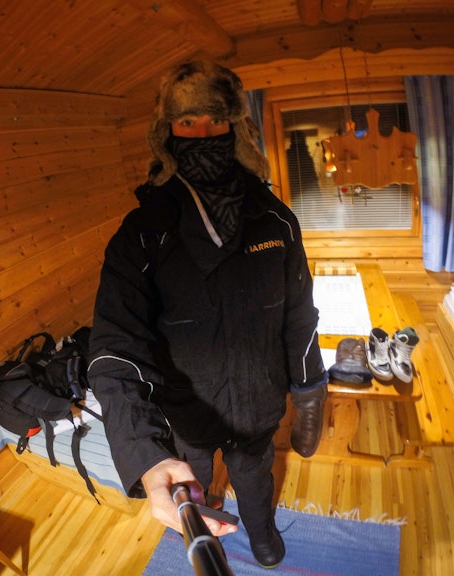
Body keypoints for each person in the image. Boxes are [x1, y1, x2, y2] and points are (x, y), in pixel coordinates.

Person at [87, 60, 328, 569]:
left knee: (255, 478)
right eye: (188, 123)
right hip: (186, 416)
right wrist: (146, 455)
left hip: (260, 406)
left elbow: (300, 316)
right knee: (192, 491)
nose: (203, 134)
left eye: (216, 122)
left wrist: (309, 393)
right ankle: (205, 540)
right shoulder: (143, 233)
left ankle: (262, 535)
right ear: (167, 133)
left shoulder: (276, 220)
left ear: (236, 128)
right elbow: (114, 350)